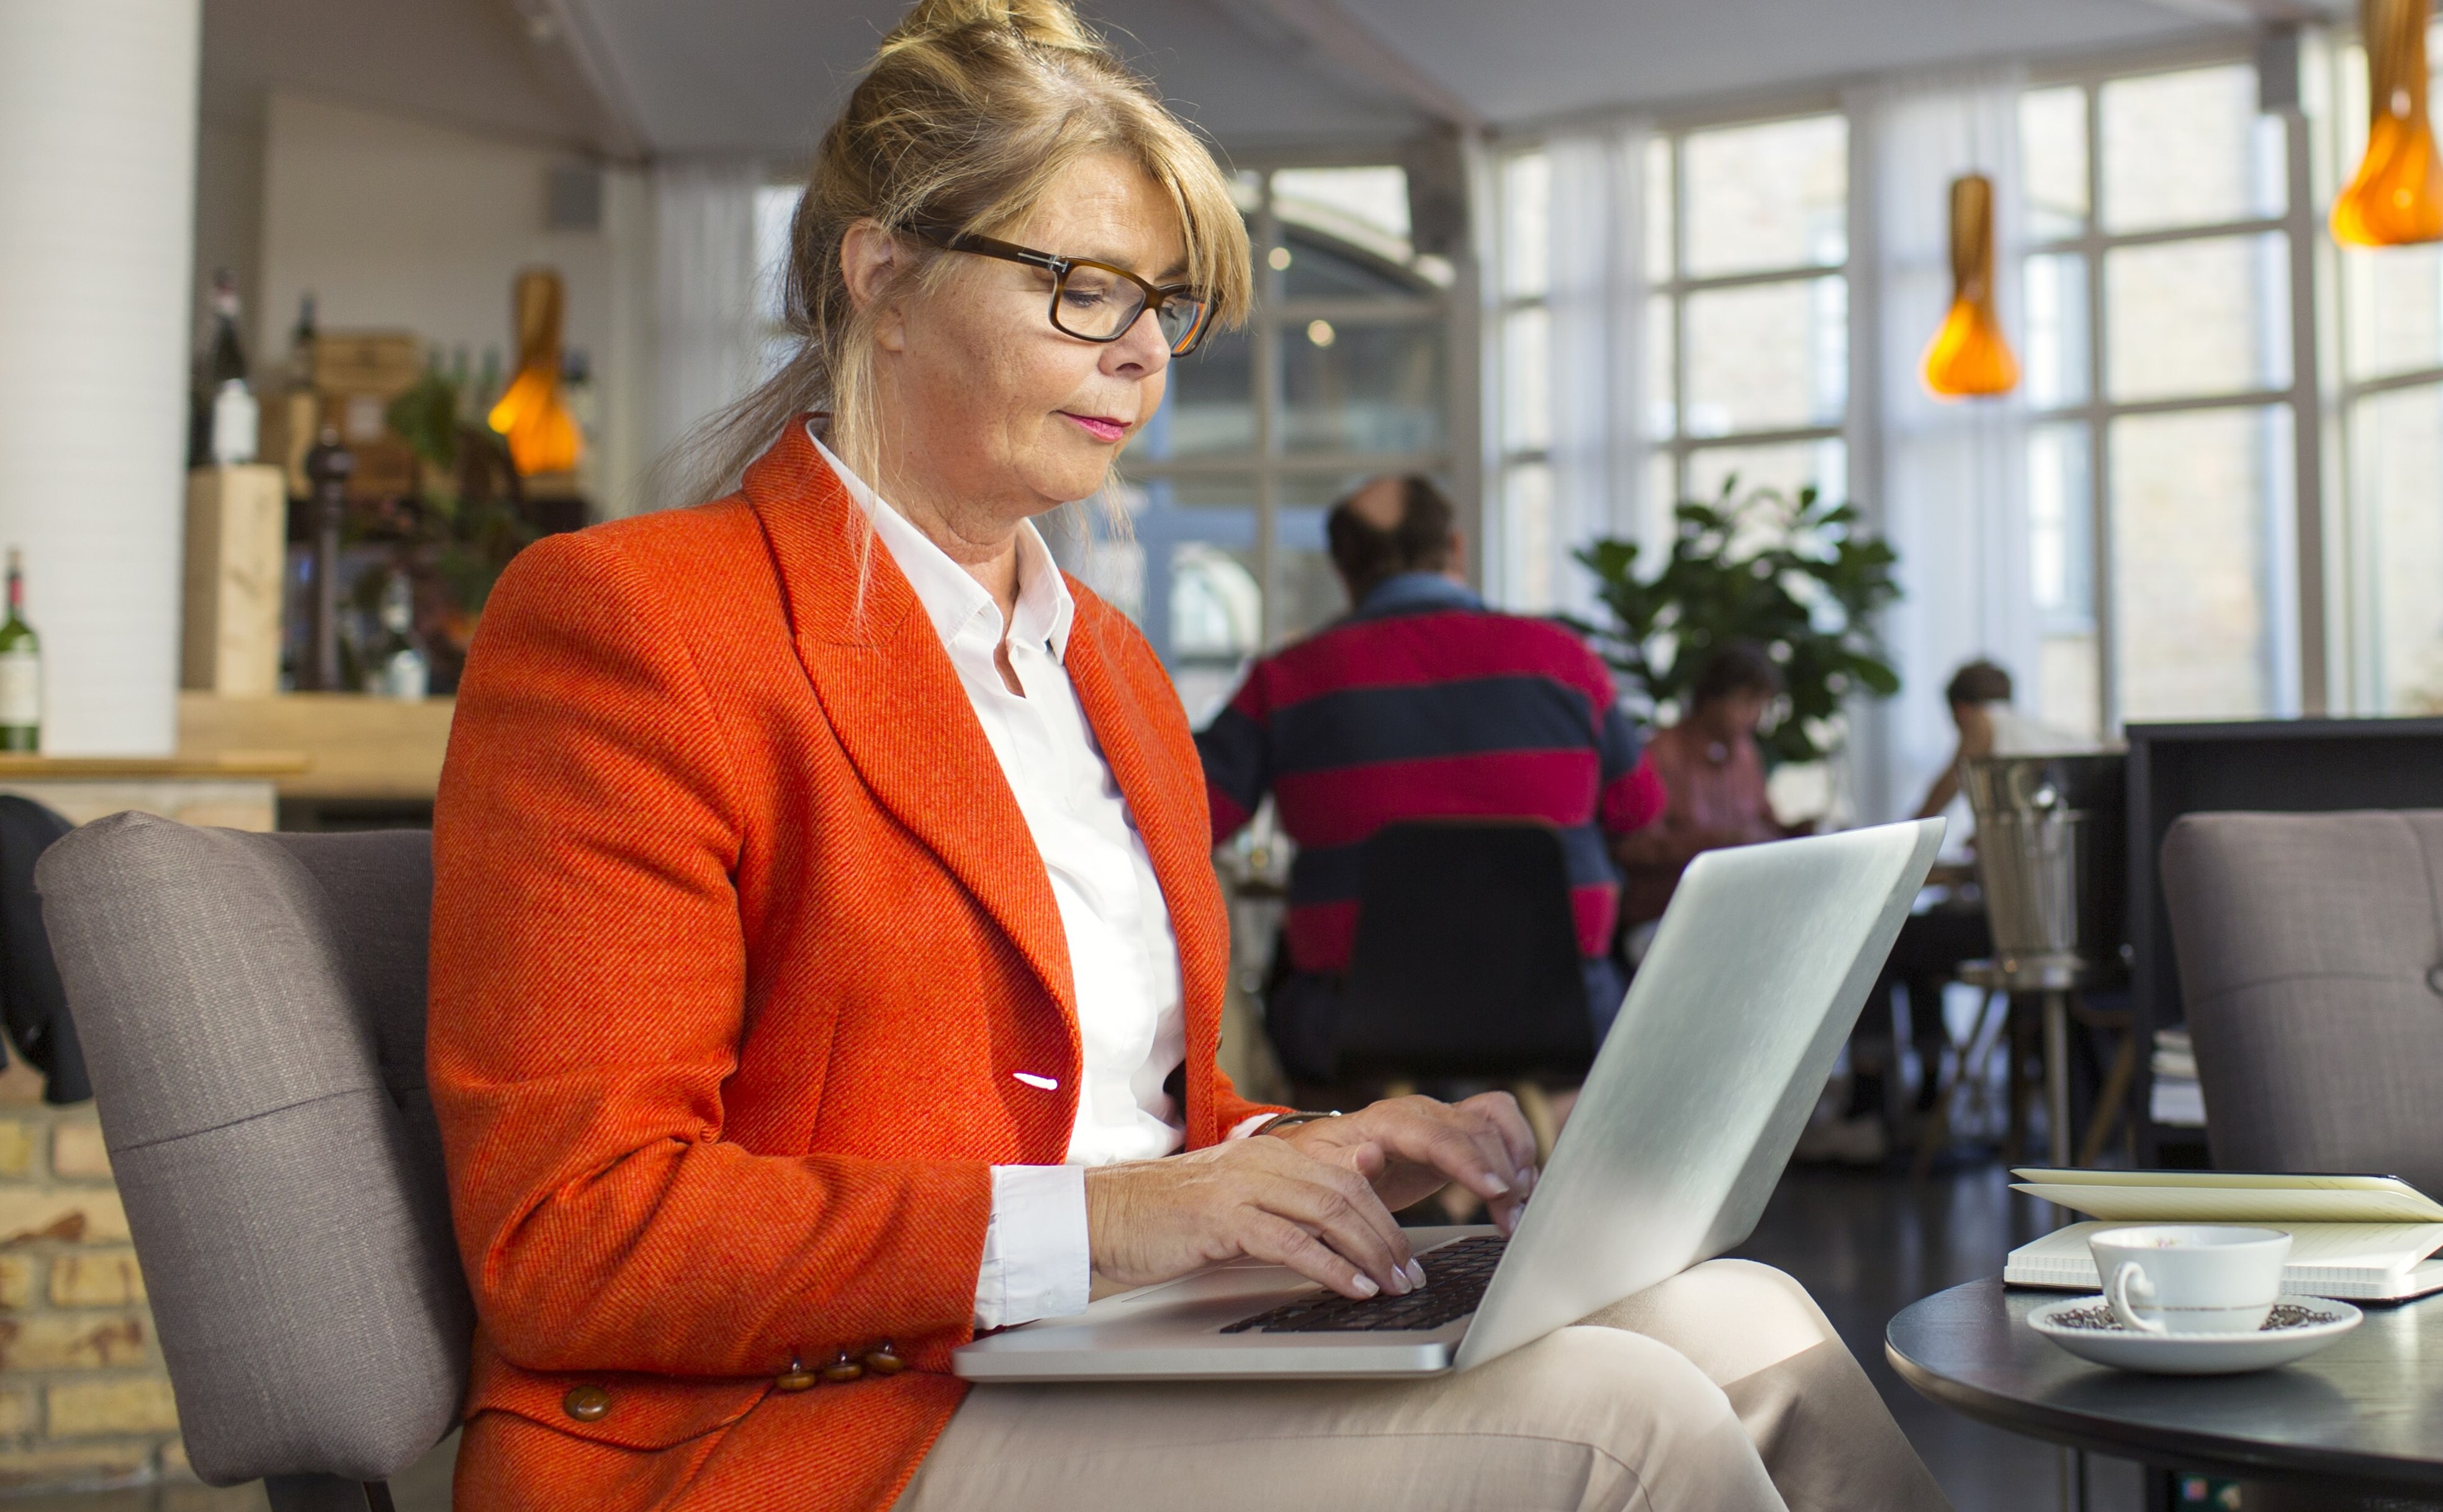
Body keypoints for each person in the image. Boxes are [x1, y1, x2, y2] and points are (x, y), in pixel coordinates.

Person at [425, 4, 1948, 1510]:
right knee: (1625, 1423)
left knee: (1749, 1328)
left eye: (1164, 305)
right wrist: (1118, 1223)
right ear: (881, 273)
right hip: (806, 1424)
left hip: (1101, 1347)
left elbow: (1141, 1117)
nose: (1145, 354)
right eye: (1084, 290)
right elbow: (573, 1238)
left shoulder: (1107, 663)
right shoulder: (637, 623)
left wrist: (1321, 1154)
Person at [1195, 473, 1663, 1087]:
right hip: (1564, 1014)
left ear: (1343, 570)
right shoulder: (1567, 662)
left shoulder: (1286, 682)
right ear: (1456, 549)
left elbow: (1182, 818)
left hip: (1353, 1024)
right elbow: (1638, 815)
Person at [1820, 662, 2010, 1163]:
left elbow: (1925, 822)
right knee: (1918, 949)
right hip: (2032, 929)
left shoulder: (1984, 731)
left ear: (1962, 712)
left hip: (2010, 934)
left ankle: (1867, 1105)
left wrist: (1894, 856)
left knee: (1873, 942)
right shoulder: (2028, 738)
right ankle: (1927, 1096)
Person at [1615, 642, 1798, 945]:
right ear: (1711, 699)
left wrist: (1804, 831)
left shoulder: (1745, 753)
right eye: (1746, 702)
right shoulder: (1660, 753)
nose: (1754, 717)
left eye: (1761, 705)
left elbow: (1766, 825)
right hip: (1669, 915)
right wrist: (1721, 841)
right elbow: (1634, 848)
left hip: (1736, 908)